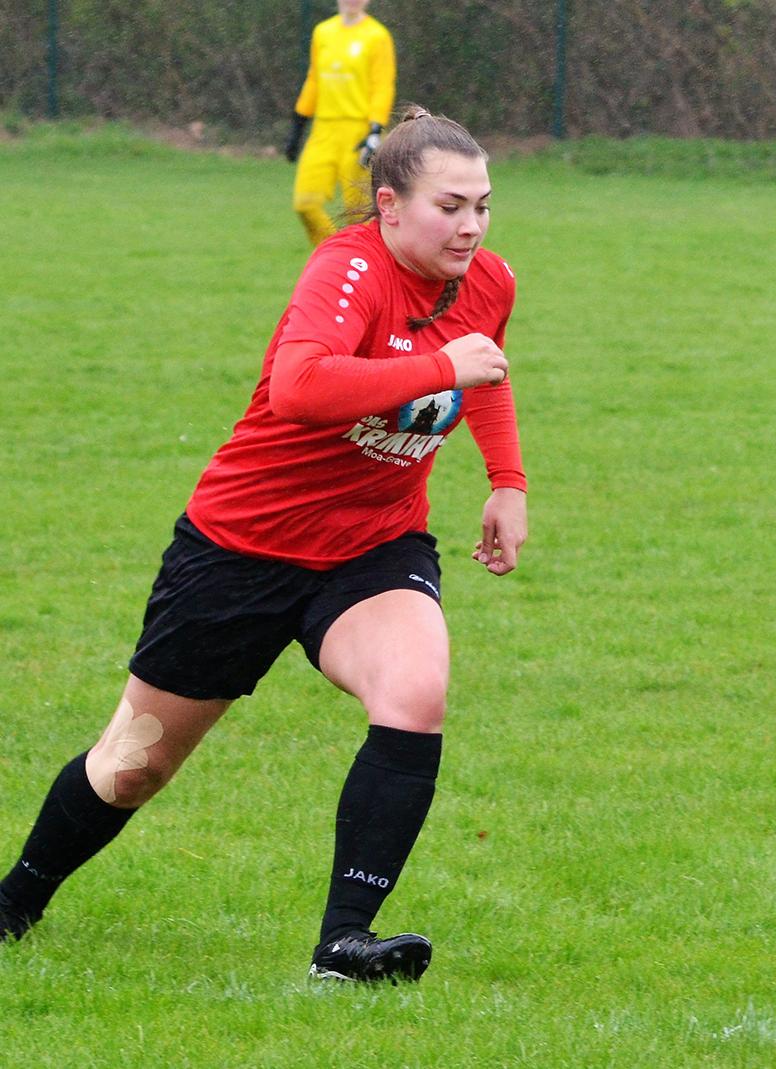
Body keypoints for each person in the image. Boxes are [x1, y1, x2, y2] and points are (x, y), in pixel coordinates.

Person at [0, 107, 524, 985]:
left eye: (483, 205)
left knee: (415, 690)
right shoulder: (347, 267)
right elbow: (300, 386)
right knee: (133, 765)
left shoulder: (489, 279)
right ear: (389, 206)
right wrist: (441, 369)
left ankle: (344, 944)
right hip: (241, 548)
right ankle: (17, 897)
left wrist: (507, 480)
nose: (471, 226)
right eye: (450, 207)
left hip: (374, 545)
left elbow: (485, 367)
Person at [283, 0, 396, 246]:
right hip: (323, 130)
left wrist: (375, 131)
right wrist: (297, 127)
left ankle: (362, 259)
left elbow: (382, 86)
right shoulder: (322, 32)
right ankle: (338, 253)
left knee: (360, 215)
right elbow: (314, 81)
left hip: (359, 133)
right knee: (305, 204)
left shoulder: (377, 36)